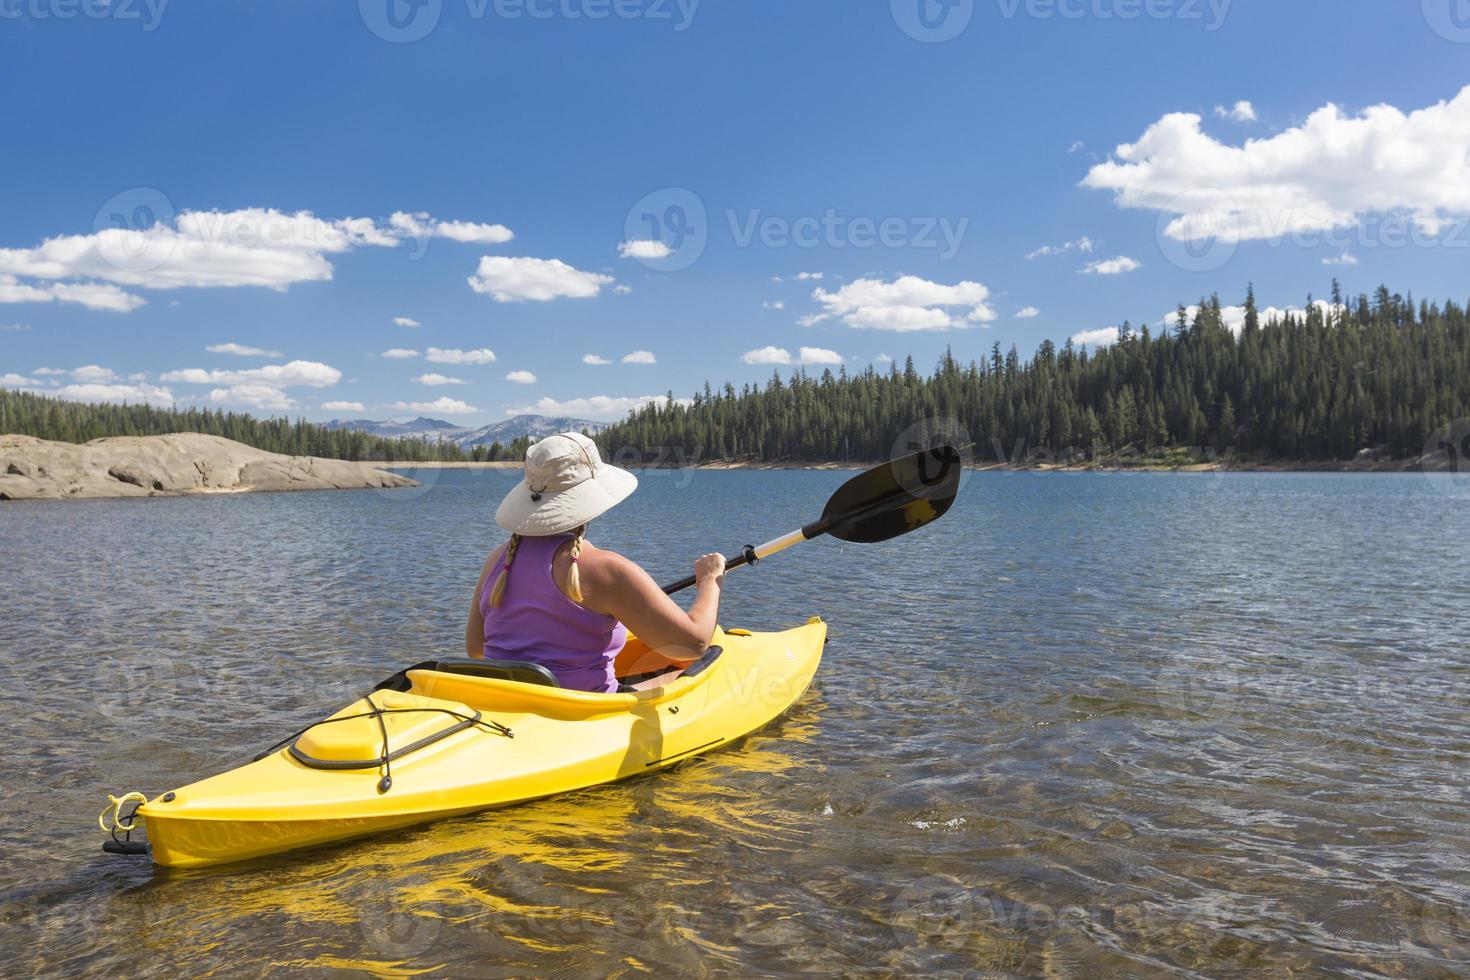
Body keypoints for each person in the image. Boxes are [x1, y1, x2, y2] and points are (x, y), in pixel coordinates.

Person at [465, 431, 726, 693]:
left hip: (504, 703)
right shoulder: (607, 569)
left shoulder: (498, 559)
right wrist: (709, 580)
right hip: (583, 711)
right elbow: (692, 645)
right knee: (681, 673)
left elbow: (476, 647)